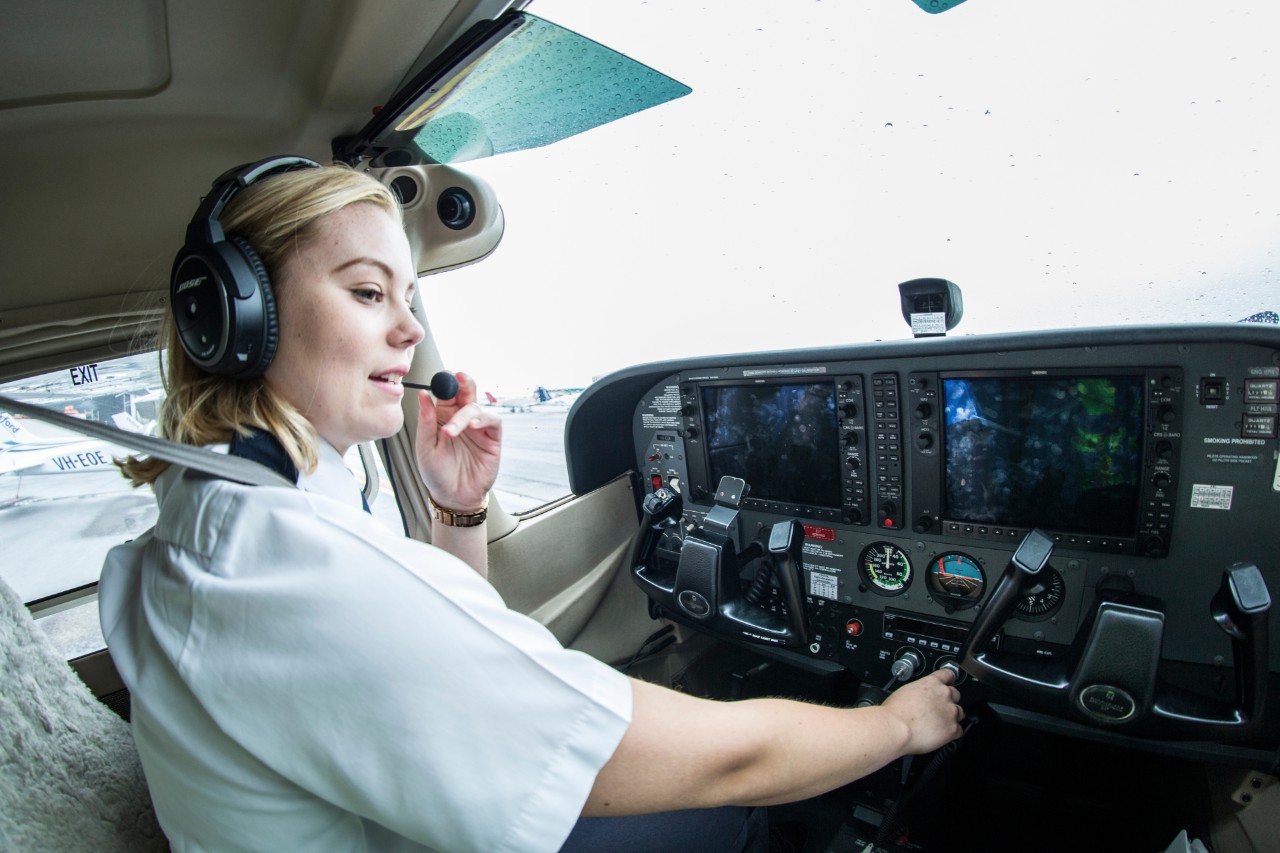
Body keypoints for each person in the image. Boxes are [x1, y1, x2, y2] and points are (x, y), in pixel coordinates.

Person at [99, 159, 964, 852]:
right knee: (727, 816)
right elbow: (726, 760)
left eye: (408, 297)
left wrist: (458, 508)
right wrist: (895, 723)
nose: (407, 329)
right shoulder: (288, 557)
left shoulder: (218, 512)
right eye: (367, 292)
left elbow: (437, 644)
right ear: (240, 314)